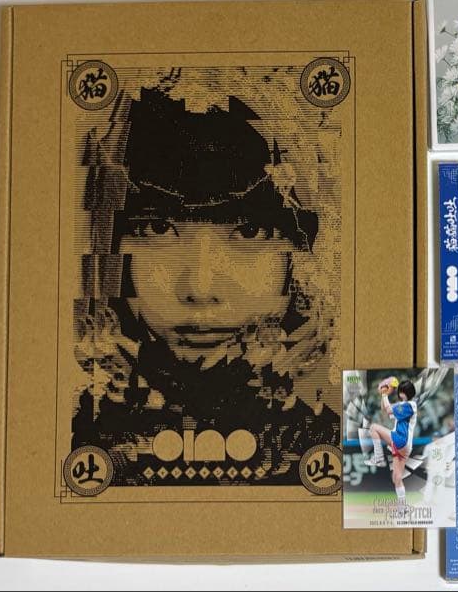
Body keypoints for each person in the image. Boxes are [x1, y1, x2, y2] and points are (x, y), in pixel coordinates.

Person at [71, 84, 338, 483]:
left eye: (250, 232)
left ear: (303, 258)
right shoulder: (68, 426)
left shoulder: (361, 437)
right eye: (157, 229)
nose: (200, 287)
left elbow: (395, 501)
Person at [365, 377, 418, 511]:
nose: (400, 393)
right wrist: (384, 394)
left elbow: (389, 409)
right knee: (396, 477)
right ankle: (402, 508)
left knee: (374, 428)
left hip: (401, 439)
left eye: (402, 391)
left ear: (407, 393)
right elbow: (385, 409)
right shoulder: (404, 405)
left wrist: (384, 394)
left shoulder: (410, 405)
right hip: (403, 447)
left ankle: (378, 458)